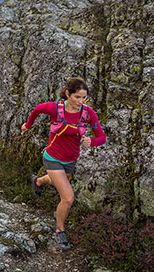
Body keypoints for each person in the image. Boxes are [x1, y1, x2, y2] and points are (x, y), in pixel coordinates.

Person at [21, 77, 106, 251]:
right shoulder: (55, 109)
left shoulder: (88, 113)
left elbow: (101, 137)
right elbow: (37, 109)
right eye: (77, 97)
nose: (80, 102)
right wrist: (27, 125)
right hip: (52, 157)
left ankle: (38, 181)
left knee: (58, 181)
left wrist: (92, 141)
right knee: (67, 198)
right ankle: (60, 231)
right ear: (68, 94)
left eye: (84, 98)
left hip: (70, 160)